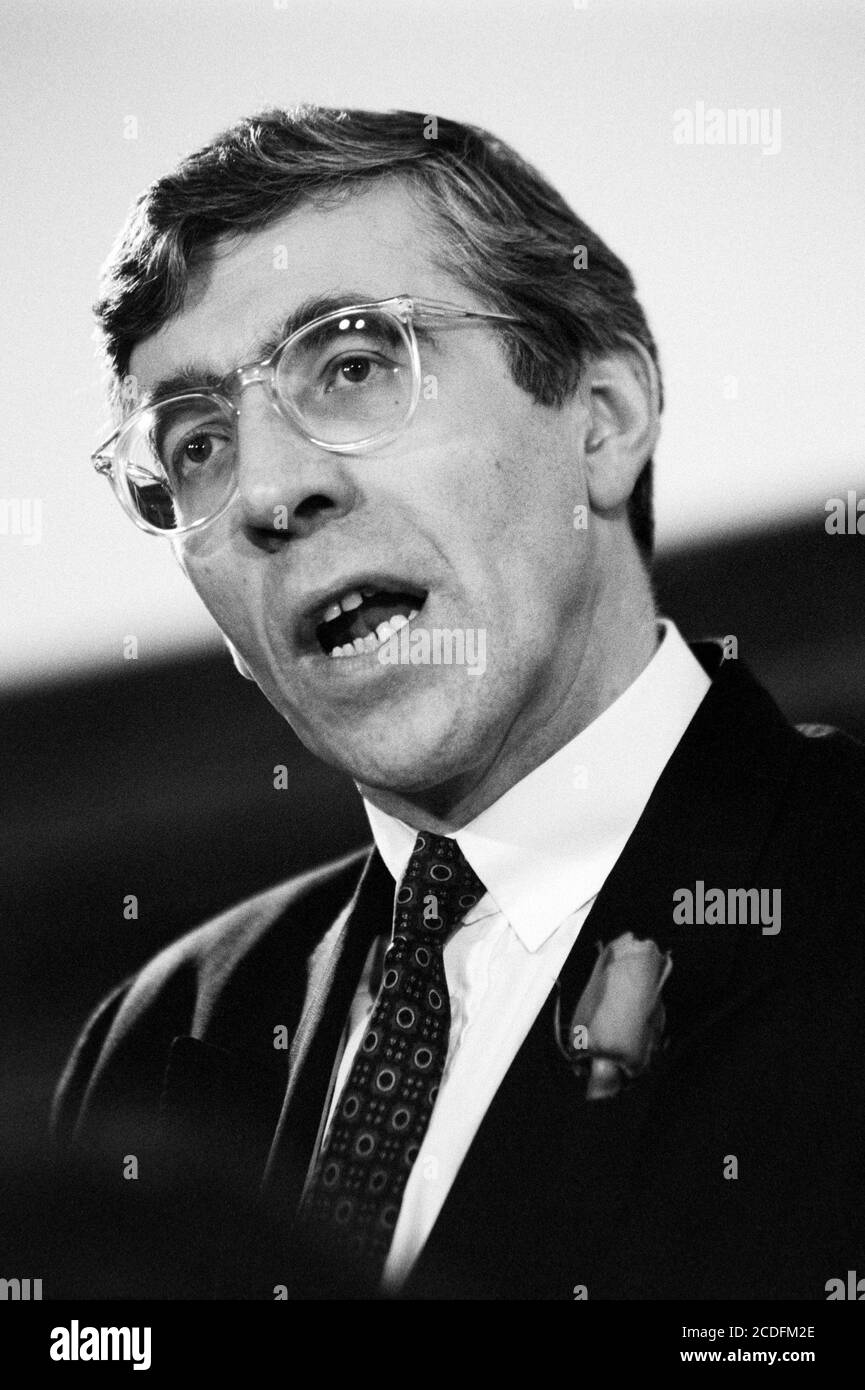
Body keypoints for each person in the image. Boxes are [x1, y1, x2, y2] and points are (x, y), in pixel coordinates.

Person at [51, 106, 865, 1301]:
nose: (270, 490)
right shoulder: (162, 1046)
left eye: (355, 363)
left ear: (603, 418)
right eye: (196, 446)